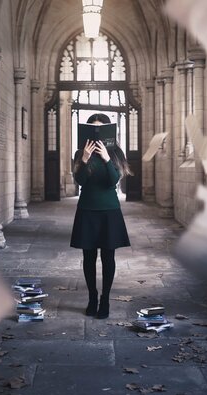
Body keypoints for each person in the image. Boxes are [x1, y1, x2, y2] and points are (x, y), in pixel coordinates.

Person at [70, 113, 132, 319]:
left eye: (100, 128)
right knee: (88, 257)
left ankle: (105, 299)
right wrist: (85, 160)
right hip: (87, 210)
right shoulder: (81, 153)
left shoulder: (115, 153)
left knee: (108, 257)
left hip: (109, 212)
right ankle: (92, 298)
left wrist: (106, 158)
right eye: (92, 128)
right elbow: (80, 181)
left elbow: (113, 181)